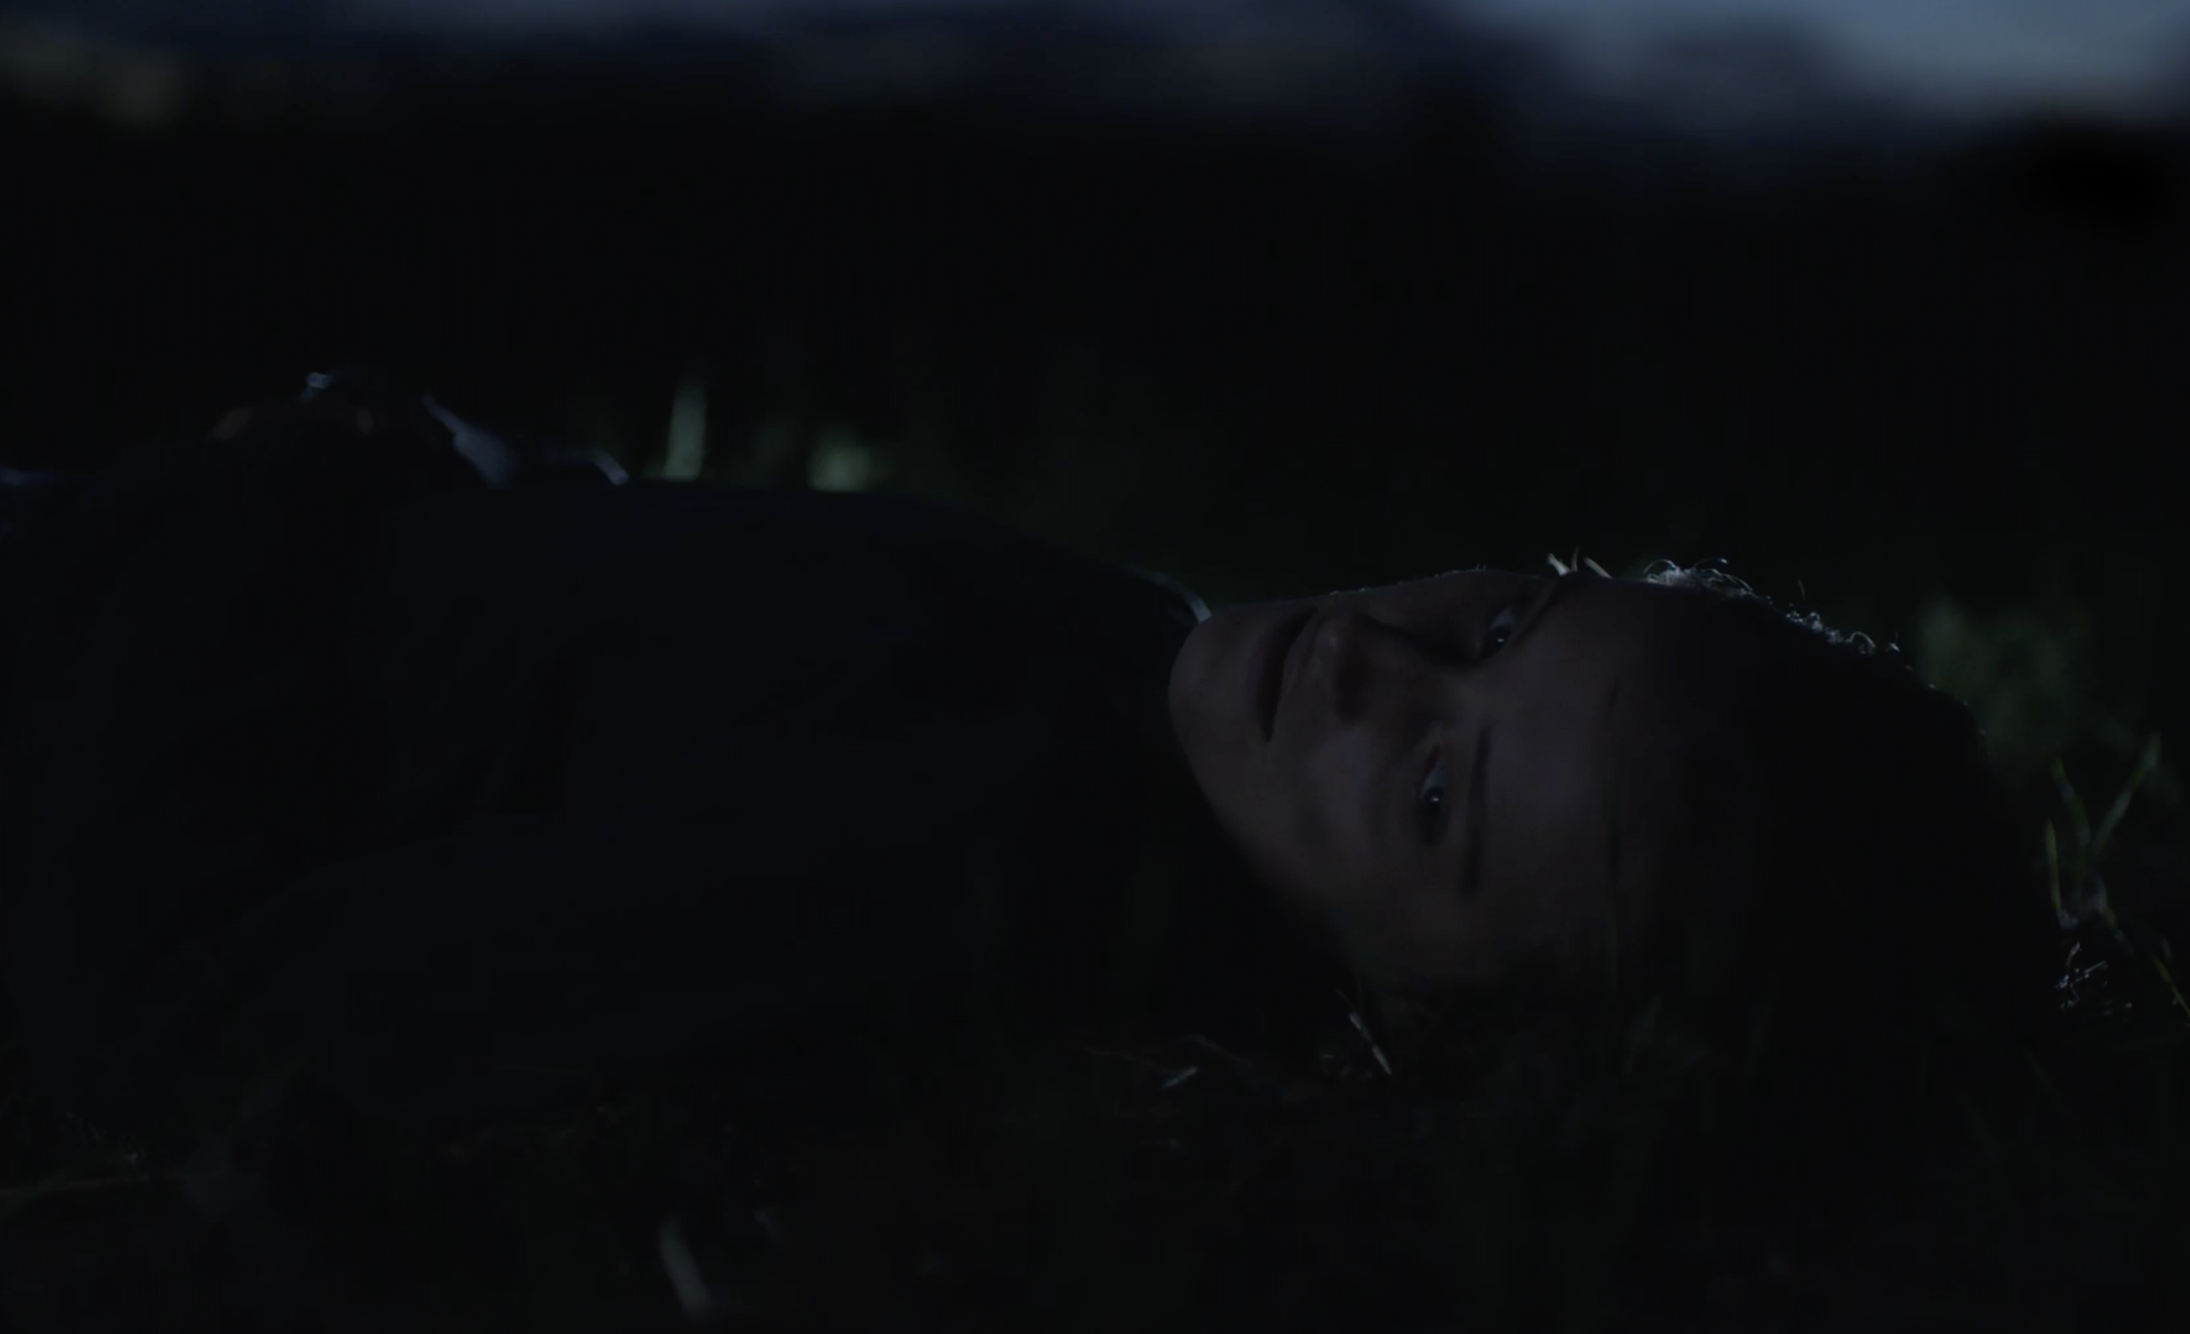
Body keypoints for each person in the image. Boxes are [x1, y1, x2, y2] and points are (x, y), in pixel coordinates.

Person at [0, 373, 2053, 1143]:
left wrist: (258, 522)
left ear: (1453, 1035)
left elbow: (178, 1005)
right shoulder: (1146, 692)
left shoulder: (963, 851)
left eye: (1440, 798)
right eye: (1508, 618)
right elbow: (628, 635)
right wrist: (436, 469)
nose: (1378, 660)